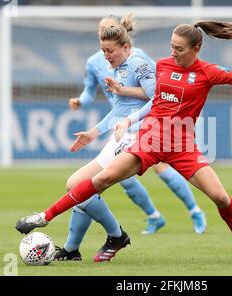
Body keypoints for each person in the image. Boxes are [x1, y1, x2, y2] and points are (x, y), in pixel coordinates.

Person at [16, 20, 232, 262]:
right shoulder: (163, 66)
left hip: (182, 145)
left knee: (220, 197)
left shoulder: (207, 72)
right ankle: (44, 217)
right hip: (150, 139)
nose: (173, 53)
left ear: (196, 49)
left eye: (179, 49)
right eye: (171, 46)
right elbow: (154, 101)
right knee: (102, 180)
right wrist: (128, 119)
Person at [67, 15, 206, 239]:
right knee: (95, 186)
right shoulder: (99, 61)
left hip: (144, 128)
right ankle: (149, 218)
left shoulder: (137, 58)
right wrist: (91, 124)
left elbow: (159, 91)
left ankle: (194, 211)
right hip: (121, 127)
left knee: (87, 186)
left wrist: (124, 93)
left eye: (109, 29)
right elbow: (108, 101)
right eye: (101, 33)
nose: (105, 49)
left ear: (120, 34)